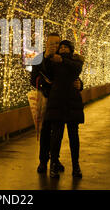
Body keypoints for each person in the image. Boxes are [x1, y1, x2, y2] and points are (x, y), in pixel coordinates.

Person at [30, 33, 83, 174]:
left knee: (57, 134)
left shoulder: (61, 59)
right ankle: (43, 161)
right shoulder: (38, 58)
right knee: (46, 132)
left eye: (57, 43)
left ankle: (55, 160)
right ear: (46, 44)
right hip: (46, 99)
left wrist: (80, 84)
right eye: (52, 43)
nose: (55, 46)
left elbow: (72, 75)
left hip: (60, 99)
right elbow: (33, 79)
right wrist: (45, 84)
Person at [43, 40, 84, 178]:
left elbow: (77, 70)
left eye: (66, 47)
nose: (63, 49)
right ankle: (53, 164)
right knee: (56, 136)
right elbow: (47, 73)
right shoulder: (53, 61)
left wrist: (62, 60)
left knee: (74, 136)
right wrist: (48, 57)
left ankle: (76, 166)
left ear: (71, 49)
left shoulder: (76, 61)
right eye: (61, 47)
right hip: (57, 101)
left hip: (72, 102)